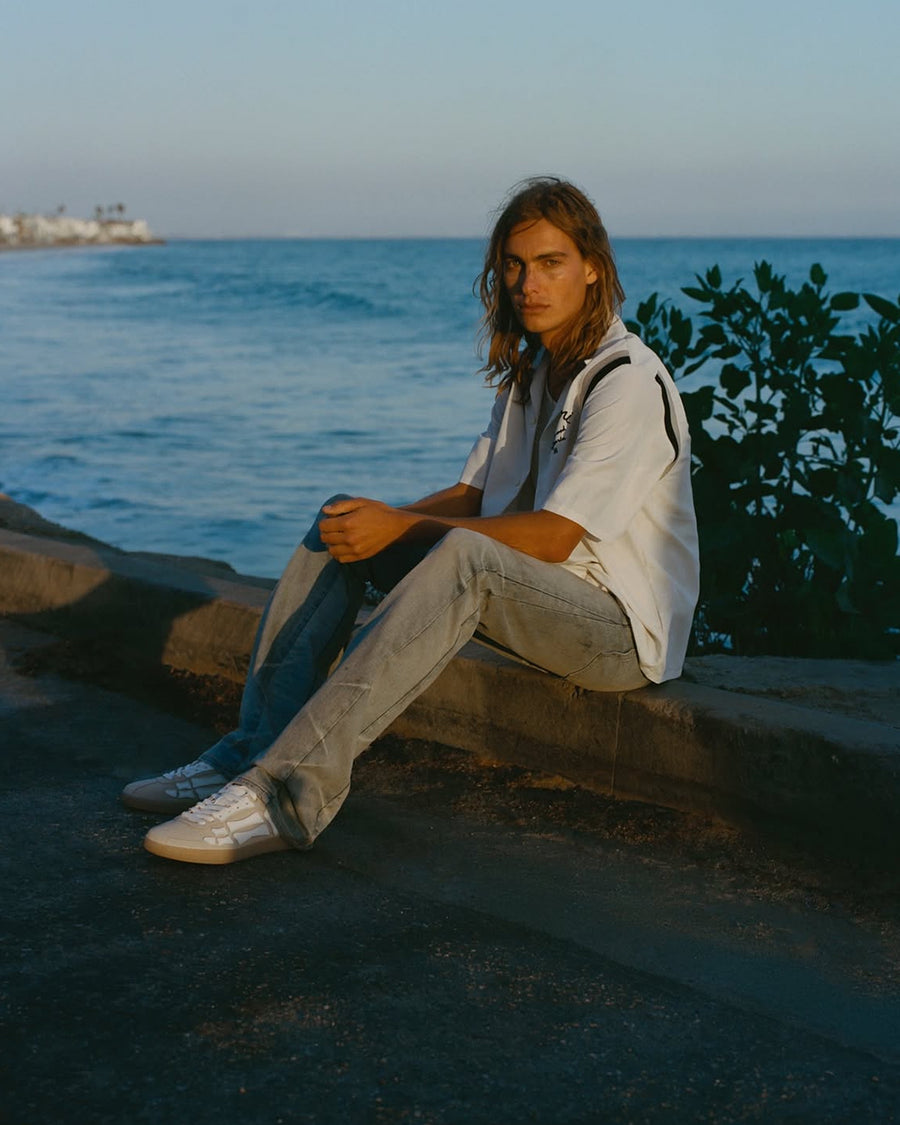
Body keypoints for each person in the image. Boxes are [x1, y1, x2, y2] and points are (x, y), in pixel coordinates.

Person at [122, 177, 699, 864]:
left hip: (618, 633)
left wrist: (400, 529)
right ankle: (248, 754)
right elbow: (472, 494)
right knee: (341, 522)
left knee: (462, 557)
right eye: (515, 265)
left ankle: (284, 797)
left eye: (551, 263)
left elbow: (554, 535)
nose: (529, 284)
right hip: (540, 595)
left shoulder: (626, 380)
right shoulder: (535, 370)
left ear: (592, 268)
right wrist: (381, 520)